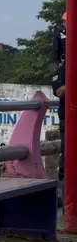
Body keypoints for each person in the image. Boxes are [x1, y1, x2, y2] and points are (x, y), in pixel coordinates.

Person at [53, 12, 67, 208]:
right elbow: (59, 91)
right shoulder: (64, 66)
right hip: (68, 116)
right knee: (68, 156)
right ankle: (67, 202)